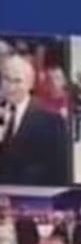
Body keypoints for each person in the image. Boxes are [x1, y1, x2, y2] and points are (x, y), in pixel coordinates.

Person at [0, 54, 70, 186]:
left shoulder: (52, 121)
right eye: (6, 79)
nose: (10, 87)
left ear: (30, 84)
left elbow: (60, 172)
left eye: (17, 81)